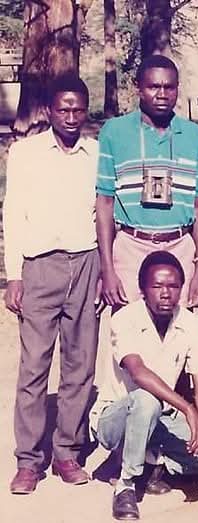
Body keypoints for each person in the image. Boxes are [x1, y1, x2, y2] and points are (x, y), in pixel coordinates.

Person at [91, 252, 198, 521]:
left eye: (173, 286)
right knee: (146, 400)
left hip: (163, 418)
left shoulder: (190, 324)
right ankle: (126, 484)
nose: (165, 293)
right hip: (116, 419)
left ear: (181, 289)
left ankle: (155, 462)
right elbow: (138, 373)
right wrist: (187, 409)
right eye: (157, 286)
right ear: (143, 289)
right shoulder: (125, 319)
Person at [5, 77, 100, 494]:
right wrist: (14, 275)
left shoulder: (95, 153)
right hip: (40, 266)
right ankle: (29, 461)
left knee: (80, 365)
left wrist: (104, 272)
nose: (71, 117)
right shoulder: (26, 154)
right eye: (63, 109)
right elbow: (13, 212)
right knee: (34, 367)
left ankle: (66, 452)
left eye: (78, 109)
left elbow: (104, 212)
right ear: (49, 110)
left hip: (86, 263)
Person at [96, 55, 198, 309]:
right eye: (153, 87)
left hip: (180, 246)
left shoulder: (194, 135)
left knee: (180, 327)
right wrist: (107, 268)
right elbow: (104, 202)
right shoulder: (114, 131)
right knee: (128, 326)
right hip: (130, 247)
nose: (162, 94)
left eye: (169, 87)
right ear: (139, 88)